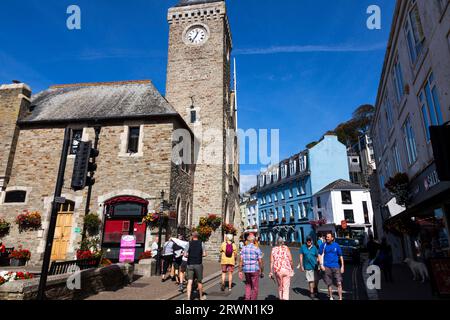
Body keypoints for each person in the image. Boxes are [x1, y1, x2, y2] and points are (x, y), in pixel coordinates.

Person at [319, 232, 344, 300]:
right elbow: (319, 255)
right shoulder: (323, 245)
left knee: (339, 283)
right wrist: (321, 265)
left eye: (328, 237)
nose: (326, 238)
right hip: (326, 266)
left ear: (332, 238)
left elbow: (341, 256)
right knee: (329, 283)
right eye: (326, 237)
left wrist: (342, 266)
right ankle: (331, 297)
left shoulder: (336, 245)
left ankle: (340, 298)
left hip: (336, 266)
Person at [239, 233, 263, 300]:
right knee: (255, 286)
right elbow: (260, 261)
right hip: (254, 269)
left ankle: (247, 298)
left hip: (246, 269)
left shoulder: (243, 249)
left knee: (248, 284)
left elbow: (241, 260)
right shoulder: (256, 249)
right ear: (254, 240)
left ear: (247, 240)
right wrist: (261, 270)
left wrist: (240, 271)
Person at [185, 231, 207, 300]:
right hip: (198, 264)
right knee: (199, 281)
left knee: (189, 281)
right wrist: (200, 255)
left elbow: (185, 254)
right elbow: (205, 254)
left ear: (192, 236)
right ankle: (200, 297)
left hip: (190, 264)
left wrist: (189, 255)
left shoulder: (189, 243)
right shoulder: (201, 243)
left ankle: (188, 298)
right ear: (198, 236)